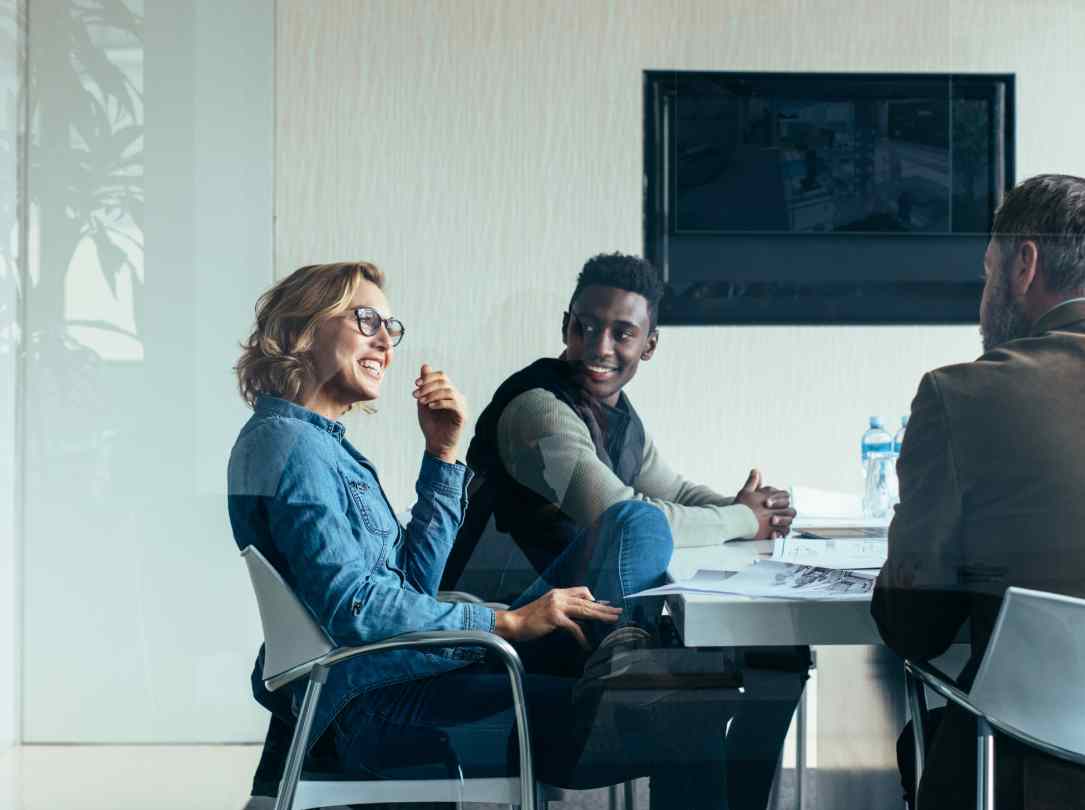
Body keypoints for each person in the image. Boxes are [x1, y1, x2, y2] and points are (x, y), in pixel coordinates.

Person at [229, 261, 745, 810]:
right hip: (386, 706)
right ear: (299, 331)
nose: (386, 340)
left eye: (390, 326)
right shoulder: (293, 447)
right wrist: (506, 622)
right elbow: (356, 606)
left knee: (635, 526)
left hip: (407, 675)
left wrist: (442, 455)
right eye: (366, 320)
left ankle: (621, 671)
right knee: (691, 721)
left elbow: (412, 587)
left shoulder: (315, 445)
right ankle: (620, 676)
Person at [446, 252, 808, 809]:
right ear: (565, 325)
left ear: (650, 344)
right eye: (584, 327)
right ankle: (632, 668)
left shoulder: (616, 412)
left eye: (621, 332)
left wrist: (751, 510)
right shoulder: (538, 409)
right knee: (637, 528)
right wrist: (741, 520)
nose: (599, 346)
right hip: (508, 626)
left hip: (576, 620)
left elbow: (675, 492)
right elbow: (626, 512)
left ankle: (642, 668)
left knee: (770, 659)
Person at [872, 174, 1085, 810]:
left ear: (1024, 264)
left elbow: (914, 627)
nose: (983, 298)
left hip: (1029, 769)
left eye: (987, 272)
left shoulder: (959, 394)